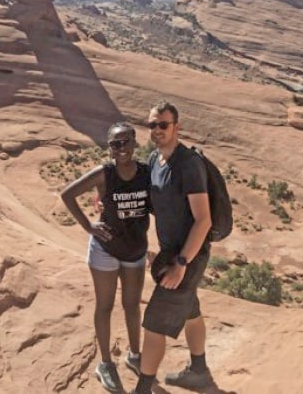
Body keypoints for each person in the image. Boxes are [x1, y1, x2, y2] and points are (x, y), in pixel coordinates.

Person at [131, 100, 214, 394]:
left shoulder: (188, 165)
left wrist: (181, 263)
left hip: (187, 255)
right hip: (171, 253)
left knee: (154, 323)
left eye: (163, 124)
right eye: (152, 124)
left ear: (177, 127)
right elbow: (154, 203)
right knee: (190, 310)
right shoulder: (156, 160)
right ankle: (199, 372)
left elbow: (203, 220)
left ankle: (143, 388)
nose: (157, 130)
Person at [61, 122, 150, 393]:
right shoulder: (104, 174)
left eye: (125, 142)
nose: (121, 148)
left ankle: (135, 356)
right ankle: (106, 364)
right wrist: (89, 227)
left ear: (135, 142)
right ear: (109, 148)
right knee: (105, 306)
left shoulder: (147, 173)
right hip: (105, 250)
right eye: (115, 144)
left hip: (135, 250)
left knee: (133, 306)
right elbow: (68, 194)